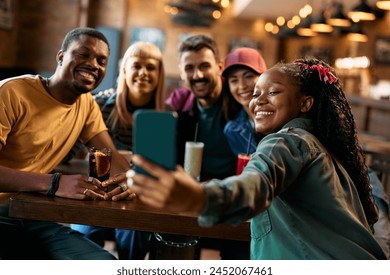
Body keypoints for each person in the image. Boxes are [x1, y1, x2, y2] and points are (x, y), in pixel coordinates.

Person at [124, 57, 386, 259]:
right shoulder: (321, 147)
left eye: (273, 92)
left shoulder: (285, 140)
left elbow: (255, 186)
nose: (258, 100)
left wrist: (197, 197)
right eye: (256, 93)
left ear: (305, 104)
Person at [0, 27, 132, 260]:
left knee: (106, 264)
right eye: (84, 54)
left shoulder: (87, 104)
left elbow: (111, 157)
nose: (94, 64)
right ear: (61, 57)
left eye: (102, 61)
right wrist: (54, 183)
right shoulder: (11, 93)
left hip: (33, 215)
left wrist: (128, 181)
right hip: (5, 215)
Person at [71, 41, 166, 260]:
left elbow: (159, 171)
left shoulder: (164, 115)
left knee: (135, 236)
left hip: (137, 198)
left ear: (159, 74)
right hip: (96, 193)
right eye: (136, 66)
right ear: (124, 69)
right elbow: (70, 150)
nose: (143, 73)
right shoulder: (100, 103)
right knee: (83, 237)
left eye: (151, 67)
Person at [164, 34, 250, 259]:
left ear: (219, 67)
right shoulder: (180, 104)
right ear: (182, 72)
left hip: (233, 198)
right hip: (192, 198)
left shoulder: (238, 100)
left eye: (204, 66)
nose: (198, 75)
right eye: (189, 68)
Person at [221, 47, 267, 156]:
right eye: (234, 80)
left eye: (248, 76)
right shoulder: (232, 130)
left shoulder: (283, 119)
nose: (242, 86)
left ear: (265, 77)